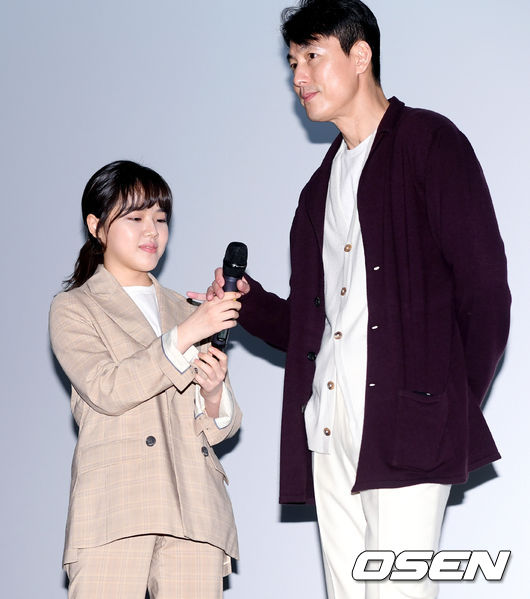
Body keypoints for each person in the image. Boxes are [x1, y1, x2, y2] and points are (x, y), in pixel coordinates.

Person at [190, 1, 511, 597]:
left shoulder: (430, 143)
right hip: (330, 431)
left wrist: (445, 403)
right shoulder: (319, 190)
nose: (299, 77)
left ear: (360, 54)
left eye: (312, 56)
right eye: (291, 62)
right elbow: (317, 329)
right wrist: (250, 302)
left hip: (406, 425)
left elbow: (486, 290)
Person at [49, 160, 242, 598]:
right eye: (135, 218)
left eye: (160, 218)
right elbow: (106, 389)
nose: (151, 231)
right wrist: (187, 335)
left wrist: (213, 394)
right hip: (117, 506)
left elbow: (219, 427)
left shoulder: (184, 308)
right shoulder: (75, 307)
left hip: (195, 509)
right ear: (97, 226)